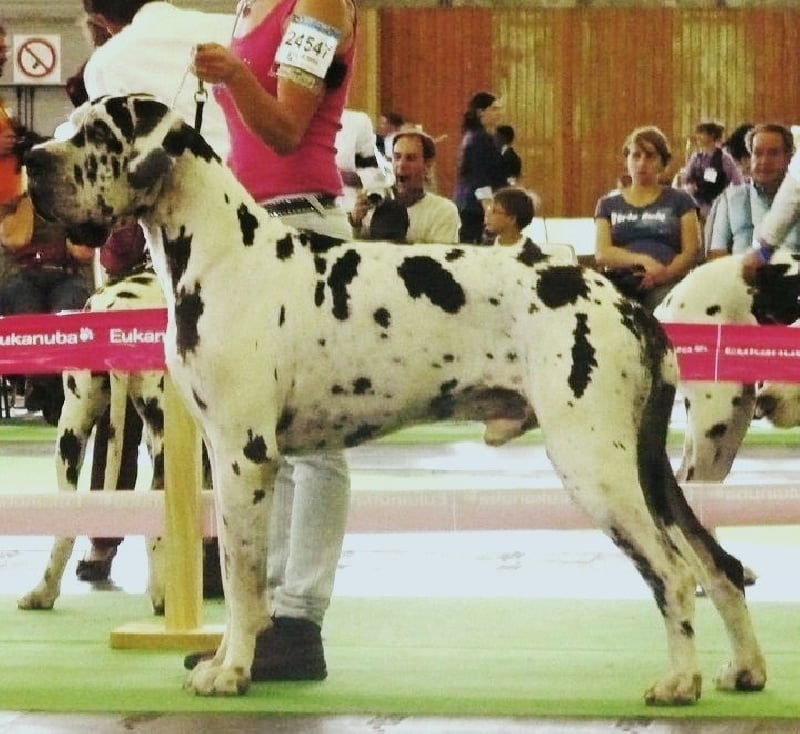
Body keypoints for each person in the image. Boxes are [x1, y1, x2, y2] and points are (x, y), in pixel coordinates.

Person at [189, 0, 358, 681]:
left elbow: (286, 130)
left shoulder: (315, 3)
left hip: (305, 233)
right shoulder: (248, 8)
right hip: (252, 229)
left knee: (315, 444)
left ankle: (301, 616)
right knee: (272, 444)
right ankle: (265, 619)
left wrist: (233, 75)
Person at [0, 182, 94, 425]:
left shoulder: (70, 199)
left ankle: (45, 385)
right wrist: (31, 198)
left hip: (66, 274)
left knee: (66, 312)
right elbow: (17, 239)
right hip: (23, 275)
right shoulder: (13, 201)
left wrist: (62, 203)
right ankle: (47, 385)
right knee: (27, 313)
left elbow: (83, 252)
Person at [594, 125, 700, 312]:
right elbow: (603, 253)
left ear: (662, 162)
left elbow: (691, 251)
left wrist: (664, 275)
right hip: (621, 282)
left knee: (663, 307)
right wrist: (643, 260)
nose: (642, 163)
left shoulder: (681, 200)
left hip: (668, 283)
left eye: (650, 156)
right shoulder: (607, 204)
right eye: (636, 156)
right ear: (627, 159)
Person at [706, 123, 800, 260]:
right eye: (758, 153)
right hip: (740, 276)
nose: (764, 161)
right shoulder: (730, 199)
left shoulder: (796, 198)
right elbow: (716, 254)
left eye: (773, 153)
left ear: (789, 158)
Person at [349, 129, 460, 244]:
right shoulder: (373, 200)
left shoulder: (443, 211)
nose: (401, 165)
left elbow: (440, 257)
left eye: (410, 158)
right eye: (397, 157)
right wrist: (355, 222)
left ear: (427, 165)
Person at [453, 91, 507, 244]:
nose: (499, 113)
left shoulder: (476, 136)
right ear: (481, 112)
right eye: (494, 109)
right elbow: (479, 177)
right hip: (475, 208)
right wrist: (489, 209)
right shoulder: (479, 139)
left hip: (469, 205)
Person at [680, 120, 743, 221]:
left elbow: (737, 182)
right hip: (697, 203)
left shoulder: (724, 158)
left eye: (702, 133)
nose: (698, 136)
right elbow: (686, 179)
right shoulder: (696, 158)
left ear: (712, 135)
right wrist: (689, 186)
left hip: (717, 205)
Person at [334, 108, 382, 212]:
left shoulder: (356, 122)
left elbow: (376, 172)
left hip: (343, 212)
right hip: (293, 212)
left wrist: (338, 176)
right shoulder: (293, 120)